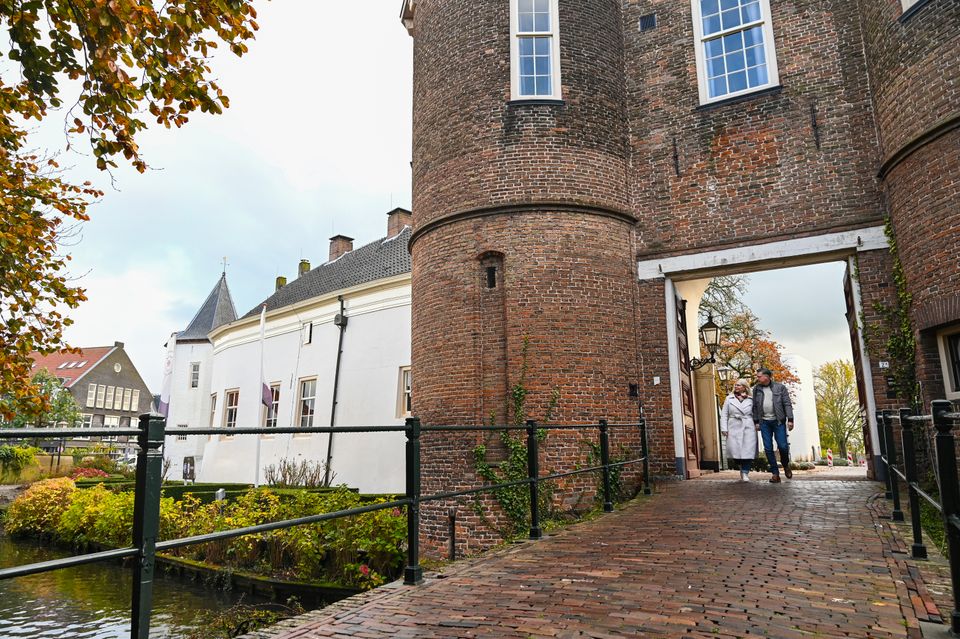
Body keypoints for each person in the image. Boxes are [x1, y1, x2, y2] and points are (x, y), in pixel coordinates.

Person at [752, 368, 794, 483]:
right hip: (764, 422)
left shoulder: (780, 387)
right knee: (768, 448)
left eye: (759, 376)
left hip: (778, 421)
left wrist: (790, 419)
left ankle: (785, 465)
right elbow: (755, 406)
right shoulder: (757, 389)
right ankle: (775, 473)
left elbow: (787, 404)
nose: (757, 378)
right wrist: (756, 421)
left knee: (783, 446)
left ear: (767, 377)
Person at [720, 379, 757, 482]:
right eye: (735, 385)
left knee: (748, 451)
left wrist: (757, 425)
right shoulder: (729, 398)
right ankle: (741, 466)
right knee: (735, 452)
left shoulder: (751, 399)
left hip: (748, 426)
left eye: (739, 385)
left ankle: (745, 472)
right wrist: (724, 428)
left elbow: (756, 414)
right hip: (734, 425)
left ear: (745, 387)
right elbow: (724, 414)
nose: (736, 387)